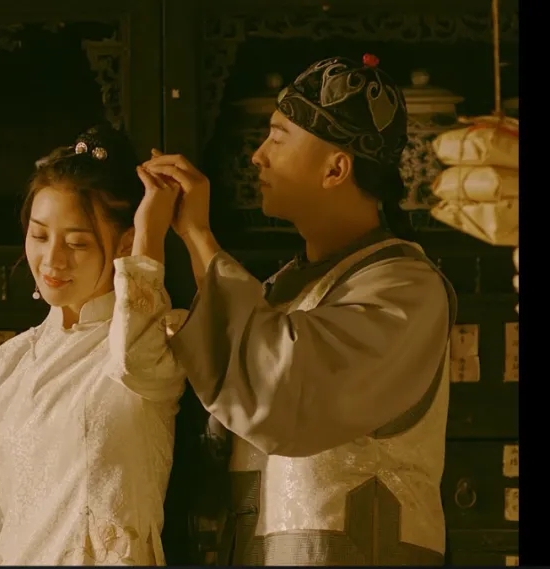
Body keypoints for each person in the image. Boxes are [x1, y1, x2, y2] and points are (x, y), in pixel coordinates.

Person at [139, 54, 458, 566]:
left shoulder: (406, 289)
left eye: (277, 138)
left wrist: (197, 235)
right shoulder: (285, 286)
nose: (257, 157)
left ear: (336, 168)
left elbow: (281, 386)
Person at [0, 125, 187, 565]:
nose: (52, 260)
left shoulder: (155, 340)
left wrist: (150, 235)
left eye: (77, 242)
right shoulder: (7, 364)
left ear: (125, 244)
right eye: (40, 236)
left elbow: (134, 358)